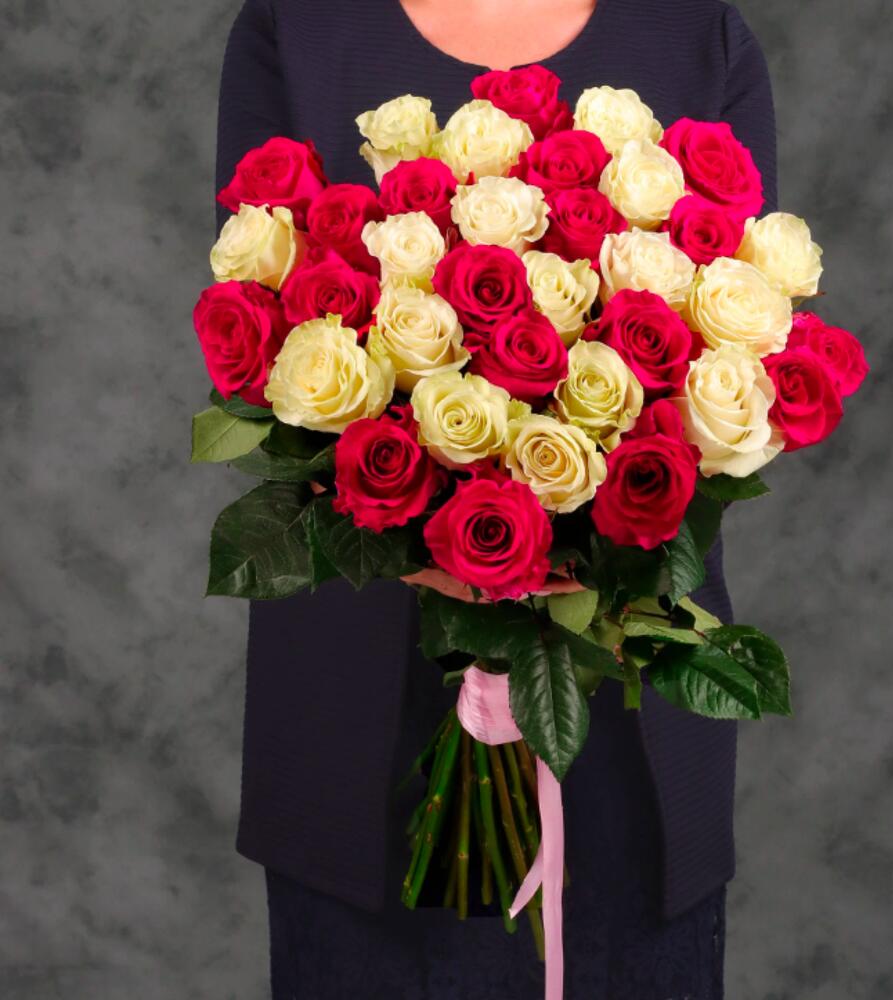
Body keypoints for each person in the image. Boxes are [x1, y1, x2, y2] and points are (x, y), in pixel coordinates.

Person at [214, 1, 778, 996]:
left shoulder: (697, 35)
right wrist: (439, 521)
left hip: (624, 708)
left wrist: (569, 521)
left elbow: (750, 352)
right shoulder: (296, 28)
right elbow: (257, 349)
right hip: (352, 724)